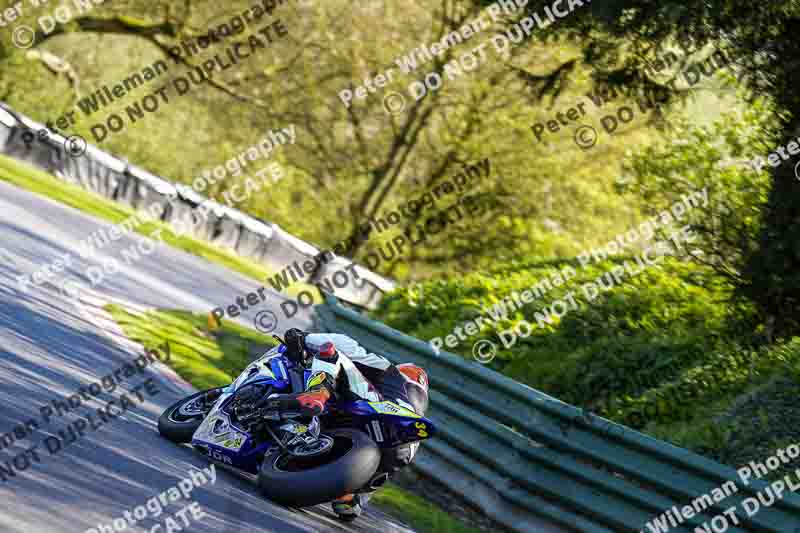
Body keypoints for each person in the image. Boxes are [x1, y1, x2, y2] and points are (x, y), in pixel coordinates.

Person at [264, 328, 430, 520]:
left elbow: (345, 345)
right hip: (390, 457)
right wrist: (352, 501)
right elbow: (359, 500)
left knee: (331, 352)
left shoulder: (389, 372)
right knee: (353, 497)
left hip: (376, 413)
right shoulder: (413, 430)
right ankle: (345, 492)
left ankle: (318, 391)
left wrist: (304, 338)